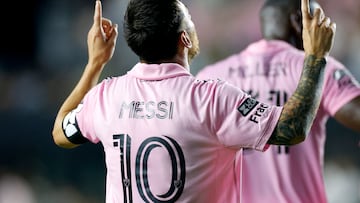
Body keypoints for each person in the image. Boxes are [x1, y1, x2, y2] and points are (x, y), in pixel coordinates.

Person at [52, 0, 335, 202]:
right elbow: (293, 127)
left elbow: (60, 133)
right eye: (190, 17)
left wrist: (95, 63)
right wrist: (315, 56)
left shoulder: (106, 96)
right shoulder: (211, 98)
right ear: (184, 38)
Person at [196, 0, 359, 202]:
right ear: (299, 21)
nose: (324, 30)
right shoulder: (316, 67)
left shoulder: (210, 77)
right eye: (320, 22)